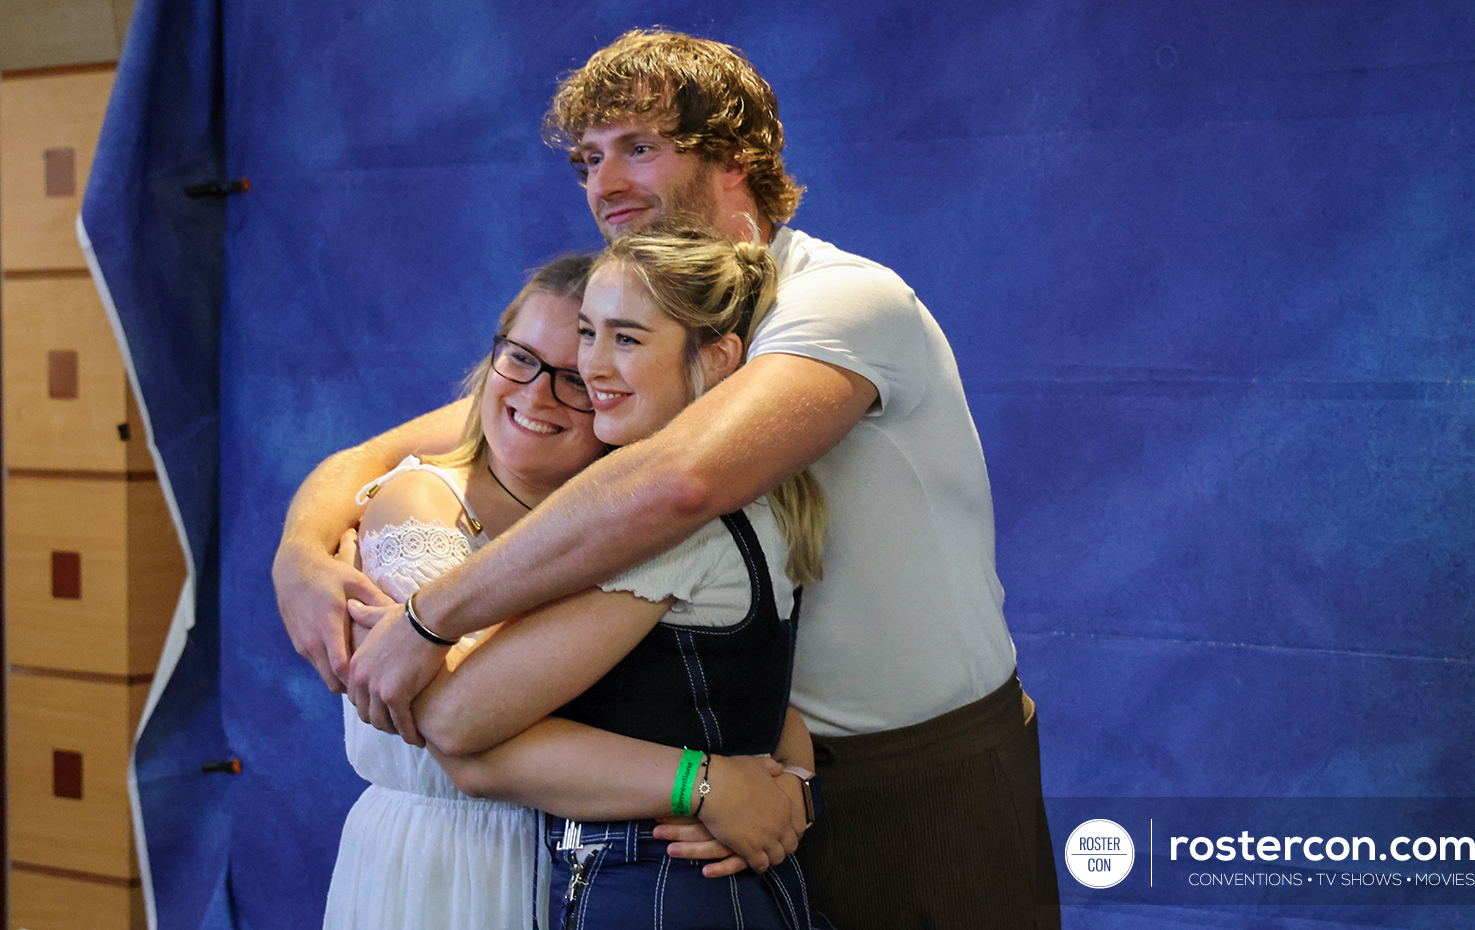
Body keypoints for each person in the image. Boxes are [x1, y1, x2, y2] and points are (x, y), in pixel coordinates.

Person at [274, 28, 1059, 930]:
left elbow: (679, 483)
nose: (603, 187)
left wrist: (428, 617)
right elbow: (386, 453)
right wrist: (298, 556)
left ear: (739, 157)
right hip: (728, 779)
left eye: (639, 149)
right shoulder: (635, 329)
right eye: (587, 159)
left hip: (912, 775)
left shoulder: (842, 303)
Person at [323, 254, 813, 930]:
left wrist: (789, 782)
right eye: (519, 358)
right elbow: (452, 726)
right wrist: (708, 784)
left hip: (578, 863)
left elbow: (734, 683)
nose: (537, 395)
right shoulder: (422, 502)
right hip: (452, 869)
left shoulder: (629, 523)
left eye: (577, 379)